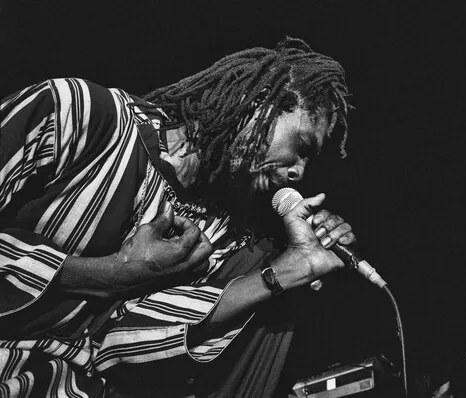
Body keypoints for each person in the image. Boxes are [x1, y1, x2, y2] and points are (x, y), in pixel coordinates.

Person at [0, 37, 356, 397]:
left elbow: (120, 349)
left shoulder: (221, 232)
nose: (299, 173)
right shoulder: (77, 114)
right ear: (259, 101)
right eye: (301, 147)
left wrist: (293, 268)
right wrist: (111, 273)